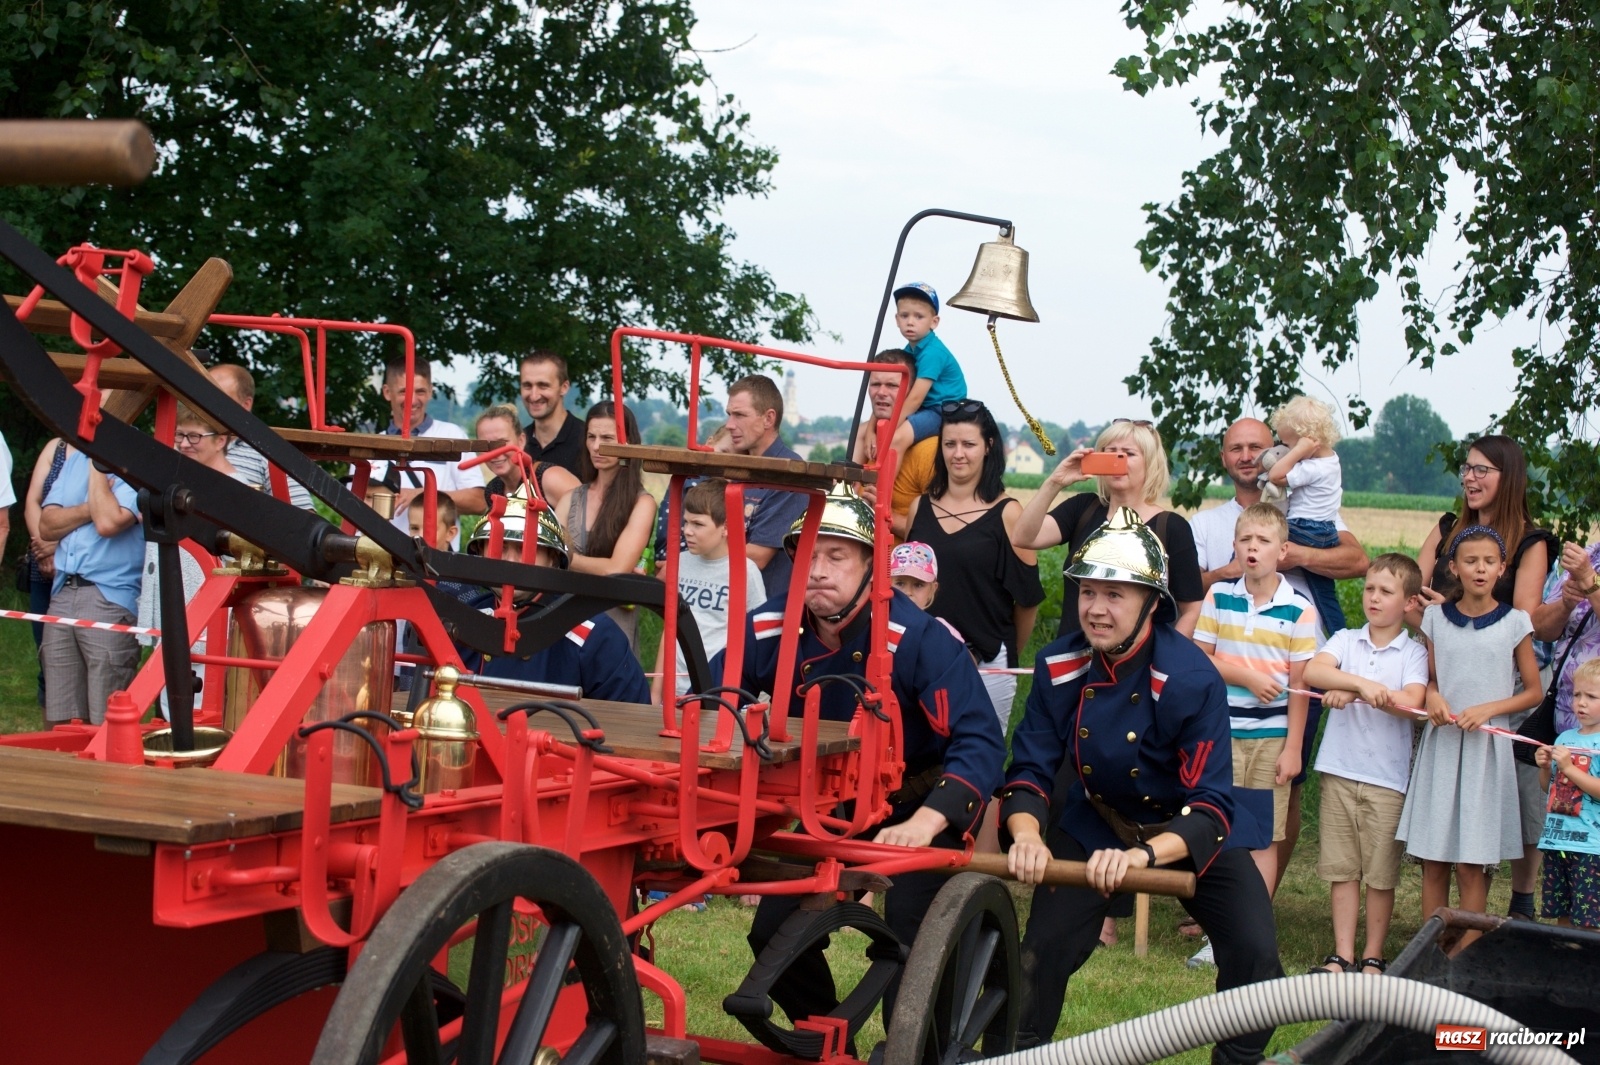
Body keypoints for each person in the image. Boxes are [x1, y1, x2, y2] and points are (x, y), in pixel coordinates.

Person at [717, 488, 1004, 1035]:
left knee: (912, 935)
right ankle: (826, 1040)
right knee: (773, 933)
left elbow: (982, 740)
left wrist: (927, 823)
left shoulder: (917, 638)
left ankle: (910, 1046)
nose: (818, 571)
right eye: (808, 554)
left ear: (873, 566)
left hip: (918, 804)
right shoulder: (771, 626)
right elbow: (714, 698)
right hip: (832, 807)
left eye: (836, 556)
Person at [999, 508, 1281, 1061]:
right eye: (1088, 592)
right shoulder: (1058, 665)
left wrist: (1143, 856)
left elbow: (1210, 804)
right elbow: (1029, 768)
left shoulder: (1191, 677)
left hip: (1186, 831)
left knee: (1256, 955)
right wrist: (1028, 835)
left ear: (1152, 602)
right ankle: (1019, 1053)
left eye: (1115, 595)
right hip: (1097, 822)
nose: (1096, 609)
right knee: (1041, 951)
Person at [1190, 417, 1370, 904]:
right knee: (1218, 812)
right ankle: (1219, 909)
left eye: (1257, 446)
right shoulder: (1207, 524)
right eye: (1236, 448)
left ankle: (1257, 906)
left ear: (1276, 452)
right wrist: (1227, 572)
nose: (1247, 456)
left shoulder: (1309, 508)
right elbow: (1186, 588)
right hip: (1227, 711)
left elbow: (1358, 561)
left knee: (1277, 799)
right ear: (1224, 458)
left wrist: (1297, 555)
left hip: (1290, 685)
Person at [1416, 434, 1555, 921]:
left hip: (1496, 693)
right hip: (1446, 690)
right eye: (1467, 469)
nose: (1470, 478)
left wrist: (1462, 614)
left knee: (1478, 841)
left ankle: (1498, 917)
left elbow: (1525, 620)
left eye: (1482, 470)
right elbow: (1412, 586)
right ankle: (1434, 940)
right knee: (1436, 845)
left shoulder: (1531, 544)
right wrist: (1438, 615)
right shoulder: (1448, 528)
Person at [1397, 525, 1542, 950]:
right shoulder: (1436, 620)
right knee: (1434, 859)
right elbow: (1432, 678)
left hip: (1485, 754)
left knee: (1470, 864)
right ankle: (1431, 953)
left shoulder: (1515, 622)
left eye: (1489, 562)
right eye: (1471, 561)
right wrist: (1434, 696)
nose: (1480, 569)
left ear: (1502, 569)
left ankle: (1467, 955)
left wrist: (1488, 709)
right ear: (1454, 569)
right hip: (1442, 748)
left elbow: (1533, 691)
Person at [1303, 553, 1429, 975]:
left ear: (1409, 602)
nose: (1373, 597)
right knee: (1342, 868)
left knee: (1379, 873)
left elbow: (1412, 701)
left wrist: (1355, 691)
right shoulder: (1344, 640)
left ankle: (1373, 955)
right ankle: (1342, 955)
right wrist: (1360, 685)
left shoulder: (1413, 653)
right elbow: (1315, 672)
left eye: (1386, 591)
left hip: (1387, 779)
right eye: (1370, 588)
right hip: (1340, 769)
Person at [1193, 503, 1317, 899]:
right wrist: (1246, 677)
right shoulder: (1218, 596)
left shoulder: (1300, 609)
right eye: (1245, 539)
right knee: (1219, 826)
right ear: (1234, 546)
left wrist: (1293, 749)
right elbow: (1200, 660)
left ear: (1283, 550)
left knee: (1264, 833)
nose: (1253, 547)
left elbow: (1300, 685)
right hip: (1223, 733)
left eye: (1263, 540)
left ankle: (1255, 919)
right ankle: (1219, 918)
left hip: (1272, 738)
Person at [906, 400, 1043, 731]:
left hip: (987, 665)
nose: (958, 454)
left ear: (988, 446)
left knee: (980, 754)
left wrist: (1004, 654)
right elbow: (906, 584)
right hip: (921, 660)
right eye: (949, 444)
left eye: (968, 444)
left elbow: (1028, 600)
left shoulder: (1009, 514)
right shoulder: (918, 508)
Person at [1011, 418, 1204, 637]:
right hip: (1073, 652)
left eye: (1128, 454)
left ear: (1150, 463)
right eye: (1110, 452)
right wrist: (1055, 482)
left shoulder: (1171, 527)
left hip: (1138, 656)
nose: (1117, 461)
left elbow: (1191, 608)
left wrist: (1169, 654)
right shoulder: (1083, 508)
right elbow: (1023, 537)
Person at [459, 496, 650, 704]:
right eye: (500, 546)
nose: (510, 560)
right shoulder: (462, 621)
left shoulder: (594, 636)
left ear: (552, 558)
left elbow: (632, 716)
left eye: (524, 548)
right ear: (480, 552)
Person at [136, 406, 253, 717]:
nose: (185, 444)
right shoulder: (177, 485)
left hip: (208, 625)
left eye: (194, 436)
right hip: (173, 618)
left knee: (199, 711)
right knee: (170, 708)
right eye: (180, 436)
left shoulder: (238, 491)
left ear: (221, 440)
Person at [38, 448, 143, 725]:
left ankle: (105, 758)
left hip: (109, 596)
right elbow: (46, 526)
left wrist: (98, 465)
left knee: (105, 717)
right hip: (62, 592)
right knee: (60, 717)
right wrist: (91, 508)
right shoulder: (75, 459)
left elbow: (108, 523)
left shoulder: (139, 458)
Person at [550, 400, 657, 648]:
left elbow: (616, 568)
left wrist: (567, 559)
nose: (597, 446)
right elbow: (545, 556)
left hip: (612, 627)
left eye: (607, 438)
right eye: (591, 437)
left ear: (628, 442)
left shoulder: (642, 503)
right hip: (564, 621)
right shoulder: (570, 498)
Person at [650, 478, 765, 702]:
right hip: (675, 689)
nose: (687, 531)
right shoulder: (679, 563)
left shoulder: (746, 572)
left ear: (726, 527)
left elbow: (756, 638)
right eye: (685, 522)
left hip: (718, 690)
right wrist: (656, 692)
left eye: (698, 524)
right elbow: (669, 630)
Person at [367, 355, 486, 548]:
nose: (413, 400)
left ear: (430, 391)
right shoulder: (370, 446)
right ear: (387, 392)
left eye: (420, 391)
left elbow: (479, 501)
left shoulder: (452, 436)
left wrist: (423, 495)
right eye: (404, 391)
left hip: (436, 561)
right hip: (380, 557)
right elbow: (352, 509)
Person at [722, 375, 809, 598]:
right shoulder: (735, 467)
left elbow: (756, 557)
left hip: (765, 608)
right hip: (726, 598)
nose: (729, 425)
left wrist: (693, 561)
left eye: (739, 415)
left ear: (769, 418)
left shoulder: (788, 474)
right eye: (729, 415)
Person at [1265, 395, 1346, 631]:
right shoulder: (1332, 461)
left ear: (1309, 442)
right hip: (1325, 531)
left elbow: (1275, 475)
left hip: (1305, 528)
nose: (1286, 450)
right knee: (1323, 593)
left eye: (1289, 445)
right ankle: (1339, 632)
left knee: (1259, 542)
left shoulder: (1313, 467)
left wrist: (1298, 451)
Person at [1535, 657, 1600, 929]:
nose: (1581, 702)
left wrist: (1569, 768)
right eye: (1576, 695)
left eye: (1591, 697)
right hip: (1558, 841)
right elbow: (1549, 788)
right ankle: (1563, 955)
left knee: (1589, 920)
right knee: (1562, 914)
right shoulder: (1564, 738)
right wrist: (1545, 768)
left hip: (1591, 847)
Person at [850, 349, 937, 541]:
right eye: (875, 384)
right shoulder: (864, 438)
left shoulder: (930, 450)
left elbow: (941, 533)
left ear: (912, 391)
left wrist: (883, 514)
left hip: (898, 559)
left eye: (892, 385)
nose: (881, 392)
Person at [880, 283, 967, 466]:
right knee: (863, 430)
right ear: (897, 319)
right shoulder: (909, 351)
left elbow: (915, 398)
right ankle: (849, 480)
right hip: (926, 407)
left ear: (934, 322)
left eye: (919, 316)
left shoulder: (932, 353)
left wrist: (891, 427)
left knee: (895, 439)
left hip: (943, 411)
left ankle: (885, 484)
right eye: (905, 316)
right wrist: (872, 429)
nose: (910, 322)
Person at [209, 362, 316, 509]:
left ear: (246, 405)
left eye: (220, 398)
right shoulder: (184, 442)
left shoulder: (269, 451)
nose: (208, 403)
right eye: (205, 395)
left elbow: (304, 516)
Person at [23, 437, 70, 705]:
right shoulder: (57, 446)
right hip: (43, 568)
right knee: (48, 663)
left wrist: (58, 546)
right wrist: (44, 546)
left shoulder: (116, 447)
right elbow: (33, 500)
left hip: (85, 570)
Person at [475, 404, 578, 510]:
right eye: (486, 445)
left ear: (521, 441)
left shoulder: (549, 478)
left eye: (502, 442)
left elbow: (585, 514)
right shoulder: (493, 490)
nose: (495, 453)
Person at [518, 349, 584, 476]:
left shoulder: (587, 441)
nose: (534, 396)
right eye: (527, 386)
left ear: (564, 388)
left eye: (543, 385)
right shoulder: (518, 443)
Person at [887, 540, 966, 646]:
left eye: (918, 585)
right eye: (900, 583)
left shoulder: (944, 632)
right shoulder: (876, 623)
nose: (908, 592)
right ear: (887, 583)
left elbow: (962, 656)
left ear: (932, 589)